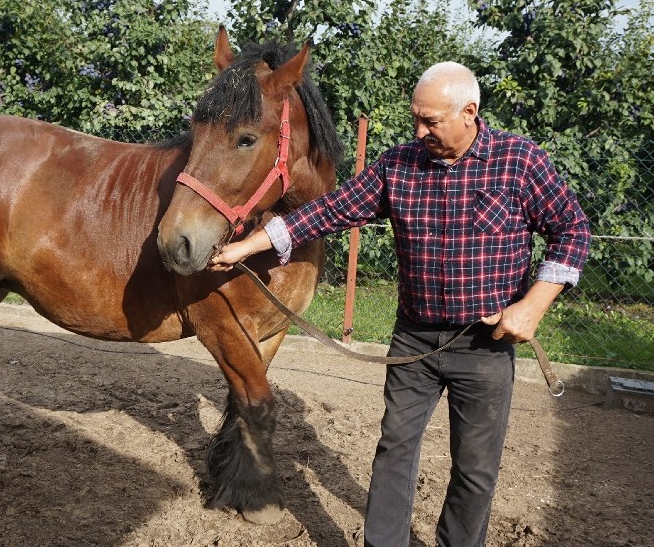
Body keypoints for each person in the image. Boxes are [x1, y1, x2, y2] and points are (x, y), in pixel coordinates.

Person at [209, 61, 590, 547]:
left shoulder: (519, 161)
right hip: (414, 341)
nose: (419, 130)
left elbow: (573, 229)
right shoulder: (400, 164)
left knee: (475, 469)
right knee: (394, 451)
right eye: (416, 118)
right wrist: (247, 246)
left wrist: (535, 303)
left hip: (485, 344)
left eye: (431, 121)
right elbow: (330, 209)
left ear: (469, 112)